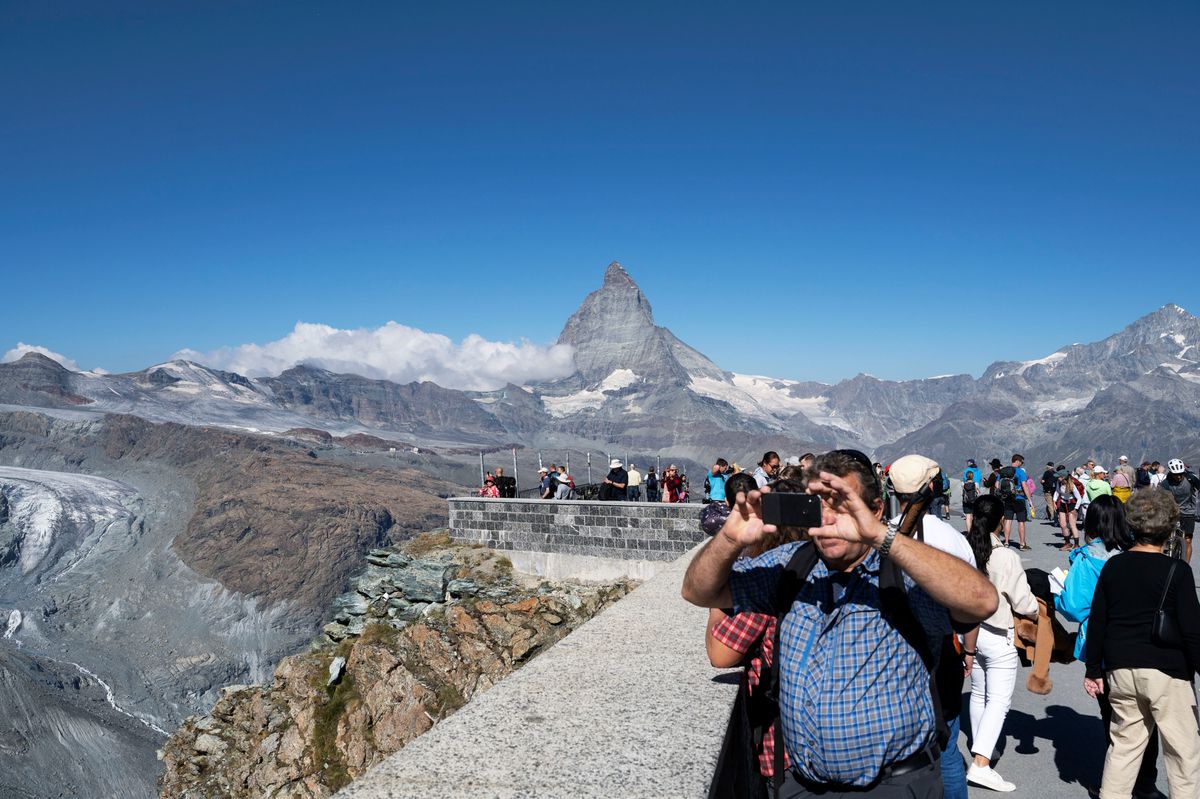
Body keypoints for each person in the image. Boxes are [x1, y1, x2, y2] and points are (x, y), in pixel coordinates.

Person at [682, 450, 998, 797]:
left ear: (876, 510)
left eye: (843, 505)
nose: (829, 520)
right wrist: (729, 539)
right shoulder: (793, 565)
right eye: (820, 506)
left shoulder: (898, 575)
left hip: (891, 786)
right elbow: (698, 591)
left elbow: (982, 600)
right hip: (801, 785)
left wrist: (882, 537)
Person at [1084, 490, 1200, 799]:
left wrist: (1093, 668)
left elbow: (1099, 621)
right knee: (1182, 753)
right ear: (1170, 526)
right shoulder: (1178, 571)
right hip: (1167, 673)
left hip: (1120, 670)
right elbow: (1192, 631)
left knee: (1124, 747)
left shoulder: (1114, 566)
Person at [1055, 495, 1160, 798]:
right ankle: (1147, 783)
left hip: (1104, 648)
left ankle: (1117, 786)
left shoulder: (1087, 558)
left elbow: (1075, 607)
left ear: (1091, 523)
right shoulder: (1139, 552)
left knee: (1115, 720)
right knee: (1145, 717)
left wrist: (1059, 593)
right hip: (1144, 644)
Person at [962, 495, 1038, 792]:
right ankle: (981, 764)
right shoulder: (1004, 555)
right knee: (999, 701)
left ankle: (981, 747)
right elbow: (1022, 601)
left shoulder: (965, 547)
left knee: (979, 693)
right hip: (998, 632)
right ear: (999, 521)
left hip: (970, 631)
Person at [1159, 458, 1200, 563]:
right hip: (1172, 511)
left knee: (1188, 540)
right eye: (1175, 474)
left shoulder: (1191, 478)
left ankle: (1186, 566)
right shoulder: (1166, 483)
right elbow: (1160, 498)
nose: (1178, 476)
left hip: (1189, 512)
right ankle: (1163, 560)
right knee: (1164, 536)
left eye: (1180, 474)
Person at [1055, 467, 1086, 550]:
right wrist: (1054, 501)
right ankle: (1067, 543)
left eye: (1059, 477)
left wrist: (1075, 509)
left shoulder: (1072, 485)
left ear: (1063, 477)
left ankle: (1076, 545)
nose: (1057, 478)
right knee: (1062, 525)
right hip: (1062, 503)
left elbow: (1079, 498)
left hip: (1072, 504)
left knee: (1072, 525)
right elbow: (1057, 492)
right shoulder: (1059, 483)